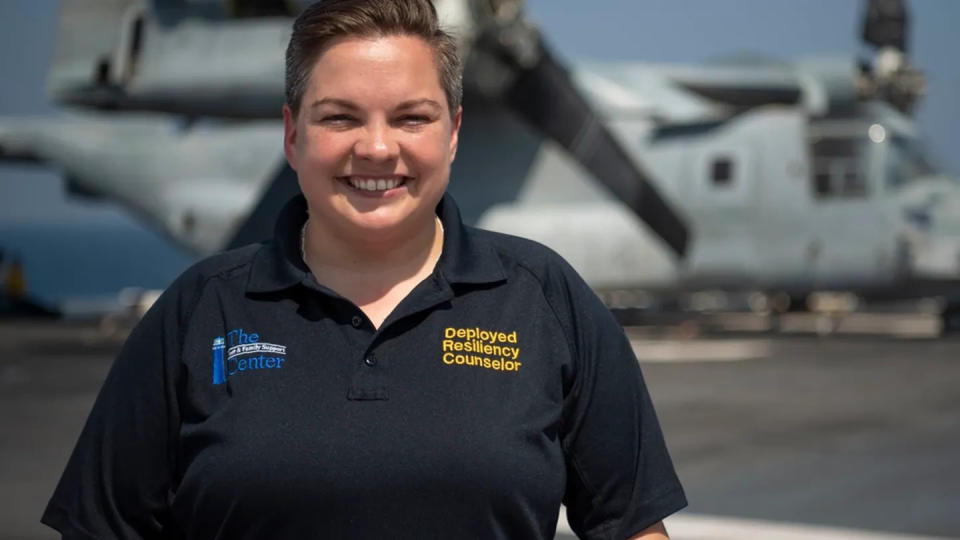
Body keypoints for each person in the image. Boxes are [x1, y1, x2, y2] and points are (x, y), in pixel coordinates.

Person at [42, 1, 686, 538]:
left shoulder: (544, 299)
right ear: (292, 135)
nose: (377, 147)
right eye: (340, 117)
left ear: (452, 133)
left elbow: (632, 526)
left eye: (412, 117)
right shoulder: (199, 311)